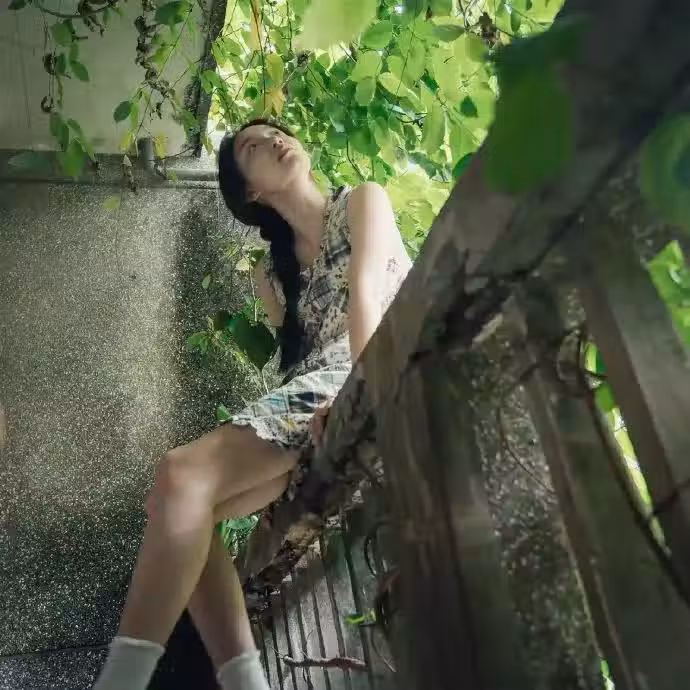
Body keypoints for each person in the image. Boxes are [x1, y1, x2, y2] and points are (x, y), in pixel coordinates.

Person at [92, 118, 411, 690]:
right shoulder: (274, 276)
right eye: (252, 146)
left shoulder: (362, 201)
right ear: (251, 193)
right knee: (177, 504)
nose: (275, 140)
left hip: (369, 373)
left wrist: (363, 398)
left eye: (277, 133)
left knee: (179, 474)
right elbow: (299, 360)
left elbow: (368, 301)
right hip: (315, 409)